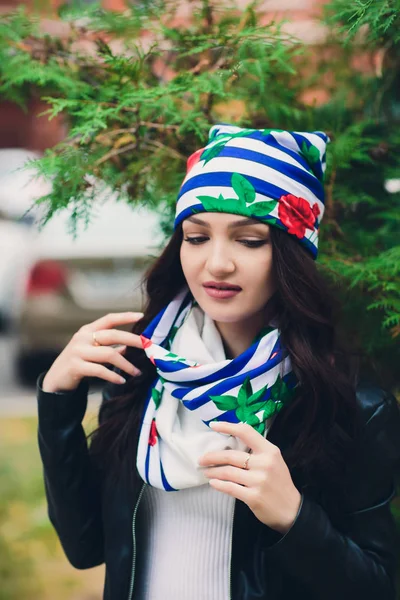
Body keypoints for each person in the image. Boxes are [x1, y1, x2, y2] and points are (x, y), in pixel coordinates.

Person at [37, 124, 400, 600]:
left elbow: (379, 587)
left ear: (291, 253)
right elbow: (85, 548)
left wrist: (293, 517)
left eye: (249, 240)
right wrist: (57, 401)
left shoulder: (350, 404)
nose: (217, 264)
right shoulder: (145, 373)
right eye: (196, 236)